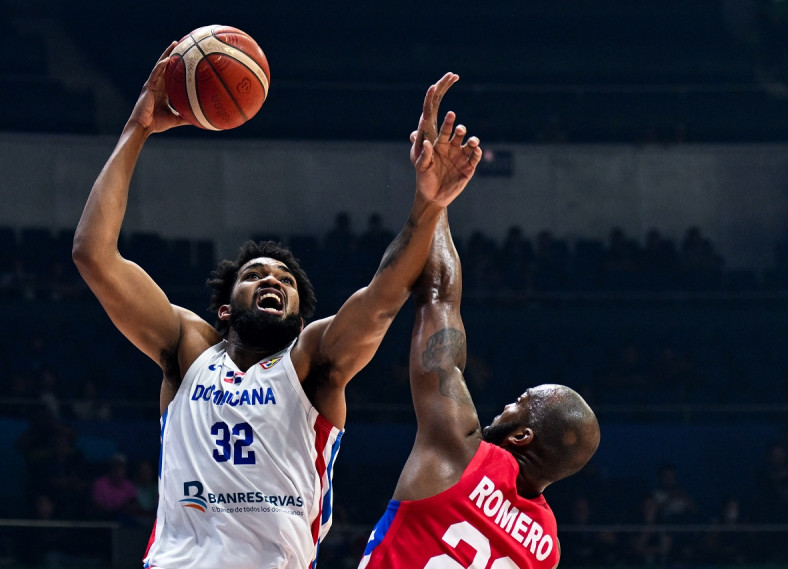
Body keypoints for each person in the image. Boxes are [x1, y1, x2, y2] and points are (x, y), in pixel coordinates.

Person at [71, 39, 481, 569]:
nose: (274, 280)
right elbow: (93, 255)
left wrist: (427, 204)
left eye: (286, 279)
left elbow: (383, 298)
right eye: (256, 275)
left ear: (299, 316)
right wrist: (137, 128)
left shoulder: (311, 363)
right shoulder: (188, 349)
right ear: (224, 310)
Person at [358, 209, 600, 566]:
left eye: (519, 402)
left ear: (522, 437)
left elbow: (439, 299)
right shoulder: (547, 550)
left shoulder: (461, 453)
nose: (506, 406)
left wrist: (436, 200)